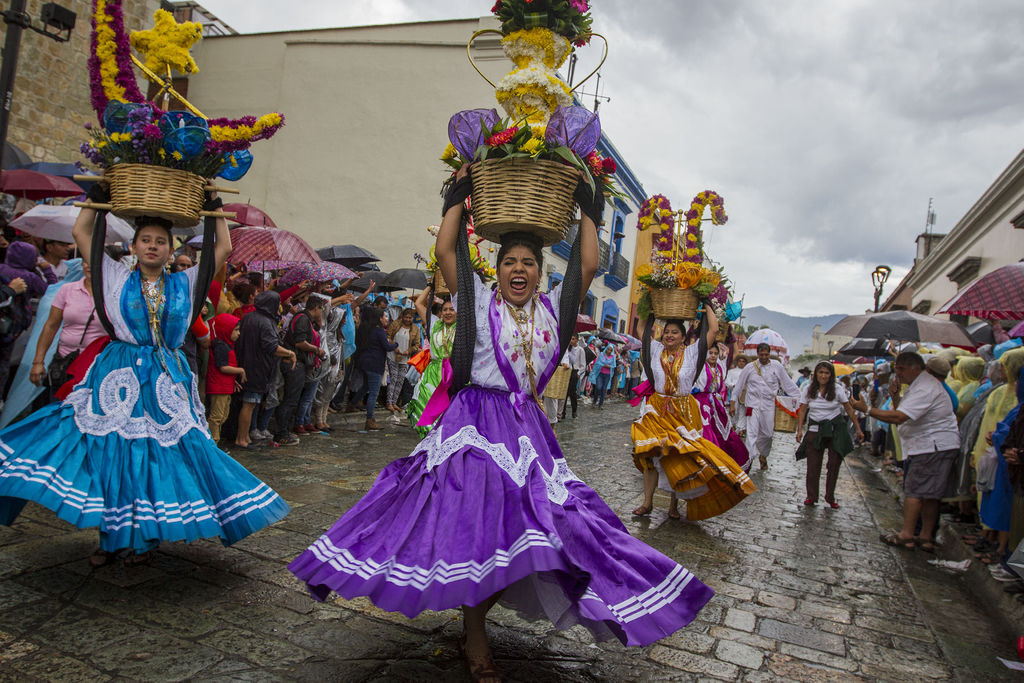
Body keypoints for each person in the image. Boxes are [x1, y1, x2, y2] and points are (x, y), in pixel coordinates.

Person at [290, 166, 713, 680]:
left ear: (540, 272)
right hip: (471, 426)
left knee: (551, 527)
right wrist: (457, 195)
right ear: (497, 269)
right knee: (477, 526)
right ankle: (474, 635)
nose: (518, 269)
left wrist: (589, 206)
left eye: (528, 263)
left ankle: (483, 618)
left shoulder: (555, 312)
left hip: (528, 432)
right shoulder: (478, 301)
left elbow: (587, 262)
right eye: (509, 261)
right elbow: (447, 252)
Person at [0, 194, 289, 566]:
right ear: (134, 247)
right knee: (113, 455)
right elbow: (81, 230)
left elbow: (224, 246)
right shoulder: (114, 274)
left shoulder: (187, 281)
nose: (153, 246)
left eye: (160, 241)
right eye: (146, 240)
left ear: (171, 250)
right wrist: (97, 199)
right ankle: (111, 538)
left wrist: (214, 206)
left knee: (158, 457)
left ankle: (144, 535)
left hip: (166, 378)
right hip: (118, 375)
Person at [631, 314, 756, 520]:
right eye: (667, 332)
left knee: (678, 456)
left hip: (682, 411)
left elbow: (713, 330)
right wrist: (649, 306)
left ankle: (674, 505)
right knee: (650, 454)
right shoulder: (654, 349)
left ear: (682, 337)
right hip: (657, 408)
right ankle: (647, 502)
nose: (669, 335)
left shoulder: (692, 353)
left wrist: (707, 302)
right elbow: (642, 327)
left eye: (675, 332)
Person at [850, 352, 960, 552]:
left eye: (901, 368)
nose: (897, 373)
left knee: (915, 491)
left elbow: (899, 417)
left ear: (915, 368)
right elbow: (908, 413)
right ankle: (925, 536)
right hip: (935, 445)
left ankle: (907, 535)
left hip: (930, 446)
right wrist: (894, 396)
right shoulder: (919, 386)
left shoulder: (925, 388)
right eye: (896, 368)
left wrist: (866, 410)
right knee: (930, 494)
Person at [29, 259, 104, 401]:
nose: (90, 266)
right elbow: (51, 326)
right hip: (66, 364)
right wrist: (38, 362)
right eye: (86, 261)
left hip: (98, 366)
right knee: (60, 412)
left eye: (94, 260)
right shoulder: (67, 290)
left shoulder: (114, 293)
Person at [795, 361, 863, 508]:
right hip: (815, 427)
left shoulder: (838, 389)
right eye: (821, 372)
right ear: (816, 374)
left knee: (834, 464)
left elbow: (849, 409)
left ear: (831, 375)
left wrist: (858, 428)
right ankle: (811, 496)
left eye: (827, 373)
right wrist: (800, 430)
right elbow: (802, 410)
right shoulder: (808, 389)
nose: (823, 376)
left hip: (835, 428)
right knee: (813, 464)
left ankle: (830, 497)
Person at [234, 291, 296, 448]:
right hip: (256, 367)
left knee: (250, 404)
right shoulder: (265, 322)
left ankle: (246, 436)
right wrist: (289, 353)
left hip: (247, 364)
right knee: (249, 404)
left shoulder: (249, 317)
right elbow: (271, 346)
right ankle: (241, 439)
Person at [731, 343, 800, 469]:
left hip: (769, 405)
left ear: (769, 354)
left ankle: (763, 454)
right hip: (752, 405)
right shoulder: (750, 367)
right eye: (761, 354)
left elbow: (787, 384)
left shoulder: (776, 366)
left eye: (766, 354)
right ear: (757, 354)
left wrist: (801, 398)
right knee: (751, 434)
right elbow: (739, 385)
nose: (763, 357)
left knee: (768, 434)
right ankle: (749, 461)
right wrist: (732, 403)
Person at [692, 342, 750, 472]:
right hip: (702, 402)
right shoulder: (701, 366)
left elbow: (722, 382)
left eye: (715, 353)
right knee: (706, 432)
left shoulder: (719, 367)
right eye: (710, 353)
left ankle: (725, 462)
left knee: (725, 433)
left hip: (716, 403)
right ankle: (706, 462)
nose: (713, 356)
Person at [406, 288, 455, 436]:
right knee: (426, 410)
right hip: (433, 373)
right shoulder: (434, 324)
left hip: (454, 374)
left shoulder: (463, 327)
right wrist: (431, 286)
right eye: (445, 309)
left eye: (452, 309)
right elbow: (419, 303)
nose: (447, 312)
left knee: (450, 415)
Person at [355, 306, 395, 431]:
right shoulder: (379, 331)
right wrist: (396, 344)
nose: (387, 319)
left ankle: (352, 404)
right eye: (385, 316)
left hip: (365, 362)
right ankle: (370, 419)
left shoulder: (368, 329)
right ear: (379, 318)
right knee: (374, 393)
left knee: (366, 386)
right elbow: (387, 347)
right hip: (375, 364)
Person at [206, 313, 244, 443]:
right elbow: (223, 367)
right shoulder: (220, 346)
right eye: (236, 330)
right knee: (217, 416)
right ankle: (213, 442)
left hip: (225, 385)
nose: (238, 333)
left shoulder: (227, 345)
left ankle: (216, 440)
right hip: (219, 387)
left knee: (223, 415)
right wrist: (240, 371)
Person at [385, 307, 420, 416]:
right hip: (392, 355)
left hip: (405, 358)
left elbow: (417, 345)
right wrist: (393, 346)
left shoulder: (415, 329)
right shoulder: (396, 324)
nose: (408, 319)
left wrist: (409, 351)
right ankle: (389, 402)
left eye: (410, 318)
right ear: (402, 317)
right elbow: (388, 336)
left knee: (400, 381)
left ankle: (394, 402)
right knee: (394, 379)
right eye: (406, 317)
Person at [558, 332, 585, 420]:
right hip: (566, 370)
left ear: (577, 340)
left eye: (573, 339)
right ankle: (562, 413)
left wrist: (578, 373)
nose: (571, 341)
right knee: (564, 392)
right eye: (571, 339)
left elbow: (582, 364)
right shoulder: (567, 348)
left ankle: (574, 410)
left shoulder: (580, 350)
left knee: (572, 392)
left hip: (574, 372)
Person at [725, 355, 748, 434]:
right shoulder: (731, 371)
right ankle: (733, 426)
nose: (741, 363)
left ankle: (741, 428)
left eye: (743, 361)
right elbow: (727, 382)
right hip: (734, 393)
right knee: (734, 410)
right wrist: (733, 385)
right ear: (737, 362)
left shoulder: (748, 372)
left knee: (743, 411)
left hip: (745, 394)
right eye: (740, 361)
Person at [589, 342, 617, 408]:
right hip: (600, 373)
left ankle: (600, 404)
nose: (609, 351)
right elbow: (598, 363)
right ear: (606, 349)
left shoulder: (613, 357)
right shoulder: (602, 355)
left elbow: (614, 365)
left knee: (604, 389)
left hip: (607, 375)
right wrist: (603, 365)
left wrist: (609, 366)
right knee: (598, 387)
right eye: (608, 349)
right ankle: (594, 401)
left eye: (611, 350)